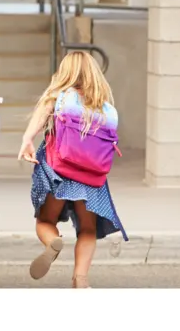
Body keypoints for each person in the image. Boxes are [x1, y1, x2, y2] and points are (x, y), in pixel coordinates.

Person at [18, 51, 128, 288]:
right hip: (91, 177)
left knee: (46, 220)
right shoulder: (105, 107)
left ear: (65, 72)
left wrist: (28, 138)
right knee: (88, 229)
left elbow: (42, 112)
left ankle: (52, 242)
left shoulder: (61, 96)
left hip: (59, 172)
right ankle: (81, 280)